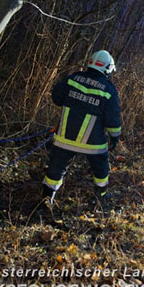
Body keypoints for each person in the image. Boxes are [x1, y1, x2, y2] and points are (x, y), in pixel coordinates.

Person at [42, 50, 122, 205]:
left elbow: (57, 98)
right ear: (107, 69)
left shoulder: (72, 79)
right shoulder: (109, 90)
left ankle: (47, 198)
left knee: (56, 167)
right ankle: (101, 196)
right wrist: (115, 138)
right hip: (94, 145)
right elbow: (113, 120)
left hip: (64, 139)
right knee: (101, 170)